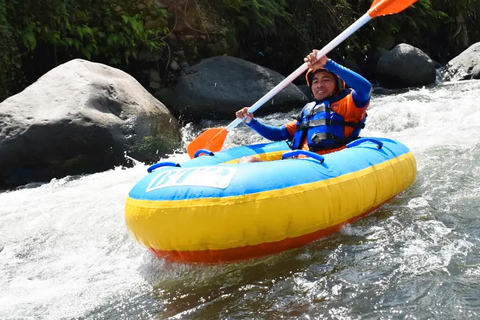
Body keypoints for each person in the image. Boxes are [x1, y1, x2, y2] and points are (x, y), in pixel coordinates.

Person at [235, 49, 372, 163]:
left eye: (326, 80)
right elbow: (278, 134)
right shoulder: (308, 110)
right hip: (300, 166)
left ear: (338, 85)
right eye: (315, 81)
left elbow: (365, 88)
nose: (319, 85)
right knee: (245, 161)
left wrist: (328, 64)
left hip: (328, 165)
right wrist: (251, 121)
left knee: (249, 162)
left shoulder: (349, 104)